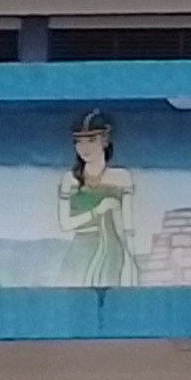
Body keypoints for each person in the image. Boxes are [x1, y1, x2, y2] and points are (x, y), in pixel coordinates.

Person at [57, 111, 137, 287]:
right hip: (82, 252)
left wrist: (131, 260)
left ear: (105, 141)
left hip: (113, 252)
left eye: (91, 140)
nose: (85, 148)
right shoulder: (69, 179)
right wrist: (98, 210)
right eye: (79, 142)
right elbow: (65, 224)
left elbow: (127, 227)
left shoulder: (122, 177)